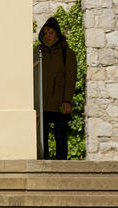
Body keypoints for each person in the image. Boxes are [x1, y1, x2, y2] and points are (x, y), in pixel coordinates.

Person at [38, 16, 77, 159]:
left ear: (57, 34)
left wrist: (67, 100)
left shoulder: (67, 53)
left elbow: (70, 79)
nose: (48, 36)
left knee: (60, 134)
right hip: (42, 101)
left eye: (51, 33)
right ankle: (44, 161)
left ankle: (62, 164)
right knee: (42, 136)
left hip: (60, 102)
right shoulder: (37, 52)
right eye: (46, 33)